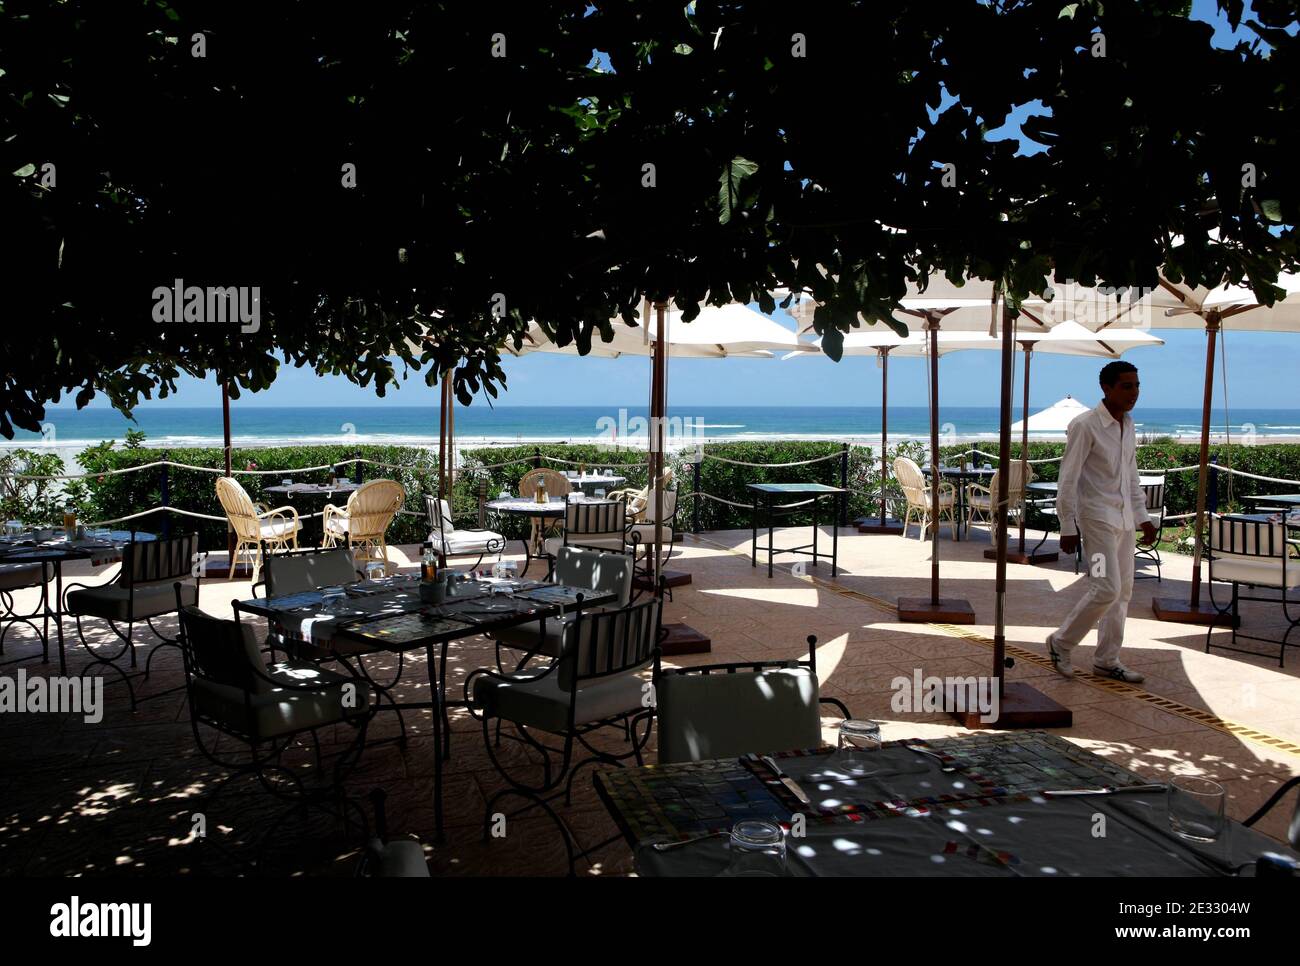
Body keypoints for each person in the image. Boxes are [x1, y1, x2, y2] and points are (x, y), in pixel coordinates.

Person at [1047, 361, 1158, 683]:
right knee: (1105, 587)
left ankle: (1107, 659)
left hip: (1123, 521)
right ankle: (1061, 642)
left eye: (1137, 385)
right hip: (1096, 521)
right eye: (1126, 386)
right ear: (1106, 388)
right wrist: (1067, 525)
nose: (1134, 392)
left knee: (1123, 591)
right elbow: (1067, 479)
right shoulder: (1085, 425)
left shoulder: (1129, 424)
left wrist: (1144, 518)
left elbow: (1131, 477)